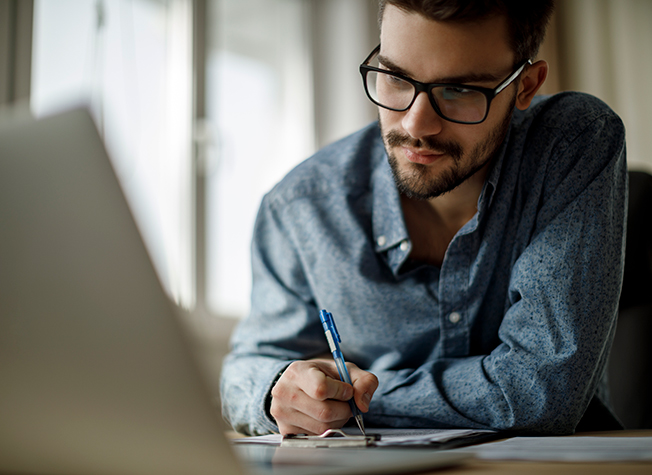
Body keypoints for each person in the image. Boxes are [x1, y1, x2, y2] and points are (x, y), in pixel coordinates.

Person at [220, 0, 627, 437]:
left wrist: (357, 400)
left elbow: (540, 392)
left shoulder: (573, 145)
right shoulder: (301, 206)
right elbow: (246, 371)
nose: (416, 125)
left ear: (525, 86)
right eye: (395, 78)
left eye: (459, 91)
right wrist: (279, 391)